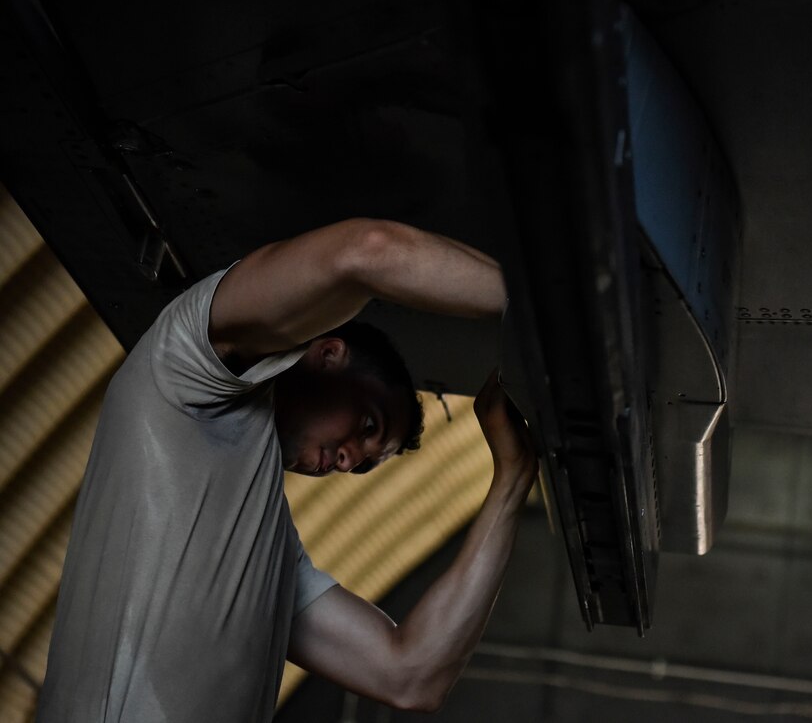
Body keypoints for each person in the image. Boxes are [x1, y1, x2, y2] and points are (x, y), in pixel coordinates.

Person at [37, 218, 538, 722]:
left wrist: (512, 478)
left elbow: (411, 677)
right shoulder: (181, 369)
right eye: (367, 425)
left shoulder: (267, 556)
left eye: (361, 466)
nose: (347, 461)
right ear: (329, 353)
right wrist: (541, 312)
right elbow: (367, 250)